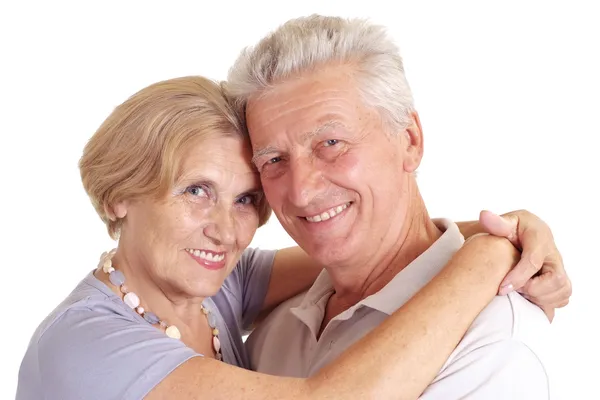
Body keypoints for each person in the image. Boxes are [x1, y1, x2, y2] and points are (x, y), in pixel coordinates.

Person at [16, 75, 567, 400]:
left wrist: (513, 226)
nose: (226, 230)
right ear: (120, 195)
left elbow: (382, 247)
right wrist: (489, 254)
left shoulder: (214, 288)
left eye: (245, 199)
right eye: (195, 191)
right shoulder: (84, 343)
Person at [224, 14, 569, 399]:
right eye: (273, 160)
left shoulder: (494, 341)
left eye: (331, 143)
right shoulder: (276, 328)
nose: (301, 192)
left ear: (409, 140)